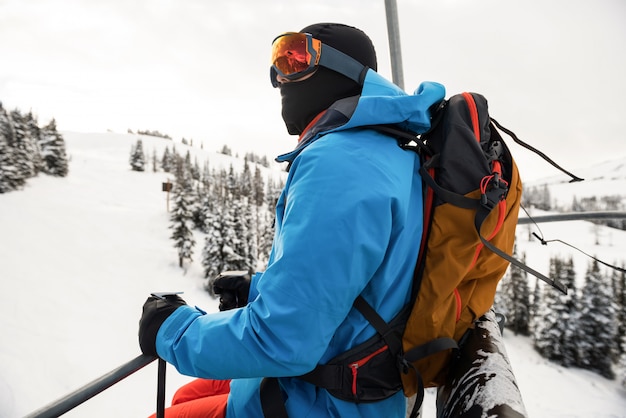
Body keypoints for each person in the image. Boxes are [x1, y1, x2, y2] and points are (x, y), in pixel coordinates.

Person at [138, 22, 445, 418]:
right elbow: (365, 279)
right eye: (279, 61)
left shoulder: (340, 163)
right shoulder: (384, 149)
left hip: (323, 400)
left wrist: (170, 329)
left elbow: (282, 342)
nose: (279, 76)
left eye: (296, 56)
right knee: (184, 399)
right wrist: (262, 289)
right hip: (348, 372)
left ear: (343, 71)